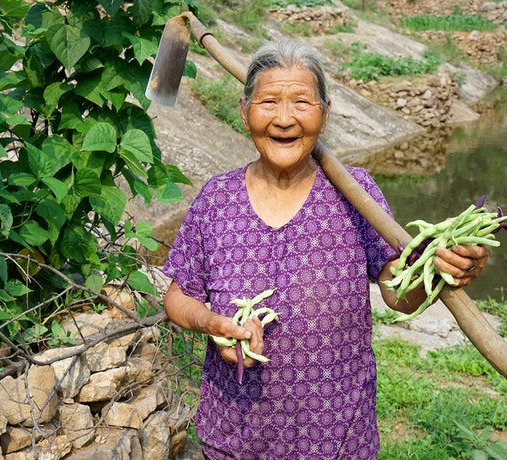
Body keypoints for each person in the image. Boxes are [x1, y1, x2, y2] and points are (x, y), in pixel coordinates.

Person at [161, 40, 488, 460]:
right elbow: (178, 293)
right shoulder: (216, 199)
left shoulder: (356, 193)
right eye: (267, 102)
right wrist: (210, 322)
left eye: (301, 101)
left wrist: (440, 270)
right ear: (244, 113)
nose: (283, 118)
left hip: (337, 437)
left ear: (326, 113)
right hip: (235, 434)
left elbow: (398, 293)